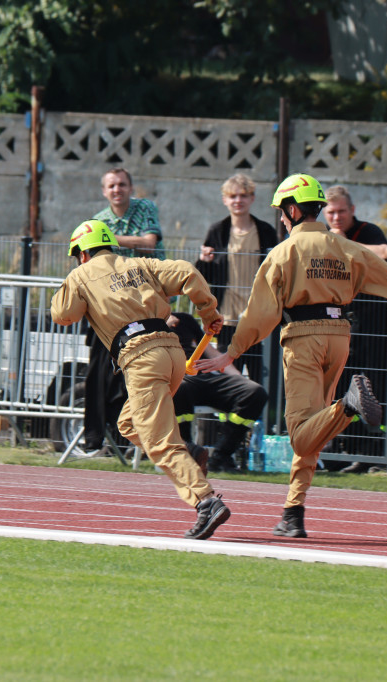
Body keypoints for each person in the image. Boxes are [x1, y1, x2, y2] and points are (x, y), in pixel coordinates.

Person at [196, 173, 387, 539]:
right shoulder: (346, 247)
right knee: (313, 428)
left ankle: (347, 405)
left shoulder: (283, 253)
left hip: (303, 339)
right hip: (339, 337)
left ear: (291, 210)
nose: (281, 220)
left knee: (301, 436)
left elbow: (259, 312)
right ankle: (293, 512)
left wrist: (232, 352)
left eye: (281, 213)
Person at [51, 219, 231, 540]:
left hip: (140, 356)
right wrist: (209, 313)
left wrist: (72, 286)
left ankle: (206, 501)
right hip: (172, 352)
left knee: (160, 441)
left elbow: (64, 315)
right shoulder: (139, 264)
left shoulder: (80, 276)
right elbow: (188, 272)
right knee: (129, 424)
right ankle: (188, 452)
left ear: (81, 254)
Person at [79, 168, 162, 456]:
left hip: (142, 301)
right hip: (111, 305)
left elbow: (150, 242)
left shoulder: (145, 208)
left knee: (135, 375)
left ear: (131, 187)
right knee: (99, 374)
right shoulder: (98, 220)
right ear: (104, 191)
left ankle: (128, 441)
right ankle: (95, 441)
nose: (117, 190)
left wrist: (110, 240)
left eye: (122, 184)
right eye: (112, 185)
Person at [322, 185, 387, 473]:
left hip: (373, 321)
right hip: (339, 322)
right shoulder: (320, 235)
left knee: (371, 385)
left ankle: (372, 453)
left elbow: (380, 253)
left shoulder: (369, 231)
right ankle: (345, 449)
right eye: (331, 213)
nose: (336, 217)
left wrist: (338, 241)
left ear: (352, 211)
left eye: (341, 211)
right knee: (341, 384)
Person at [195, 173, 279, 383]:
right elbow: (204, 277)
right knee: (228, 375)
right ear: (225, 200)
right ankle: (228, 416)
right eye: (232, 196)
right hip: (227, 315)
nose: (238, 201)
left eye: (243, 195)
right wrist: (203, 260)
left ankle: (260, 416)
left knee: (261, 373)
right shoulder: (218, 231)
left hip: (257, 315)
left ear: (252, 198)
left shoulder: (266, 231)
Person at [166, 311, 268, 473]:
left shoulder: (185, 319)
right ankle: (188, 453)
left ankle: (221, 456)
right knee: (180, 387)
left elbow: (211, 352)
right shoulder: (144, 321)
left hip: (205, 376)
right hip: (176, 378)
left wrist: (240, 379)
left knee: (255, 392)